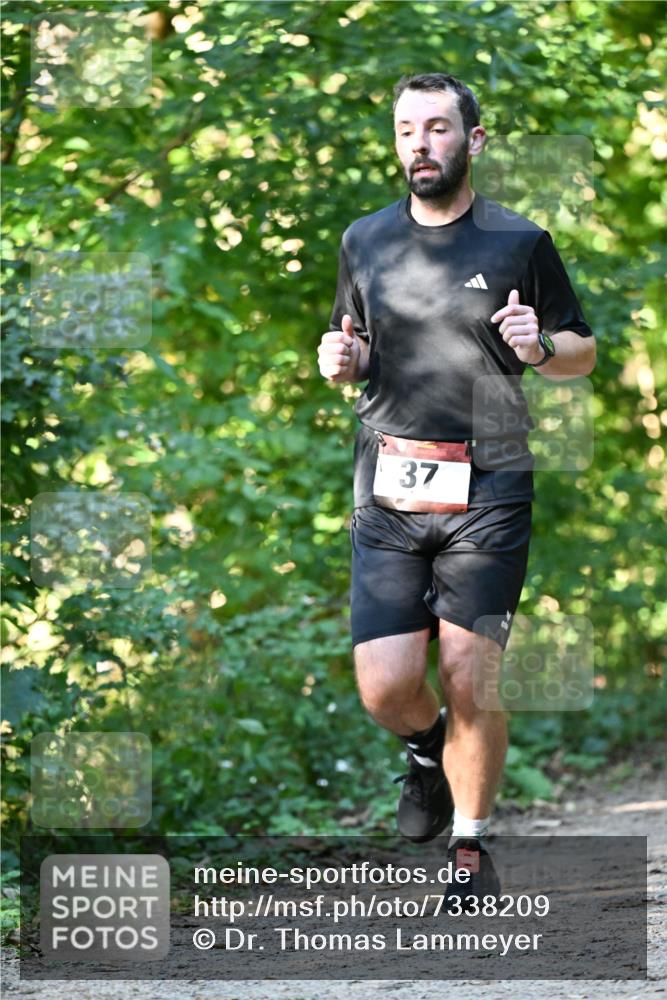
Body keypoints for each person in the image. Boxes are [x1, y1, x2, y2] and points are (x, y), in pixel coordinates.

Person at [317, 73, 595, 902]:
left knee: (474, 673)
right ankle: (424, 746)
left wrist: (540, 348)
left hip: (491, 478)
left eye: (438, 129)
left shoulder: (518, 241)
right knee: (386, 686)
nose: (420, 145)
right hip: (389, 481)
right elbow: (352, 344)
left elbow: (581, 349)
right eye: (407, 130)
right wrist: (341, 362)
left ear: (472, 141)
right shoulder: (364, 241)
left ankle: (469, 849)